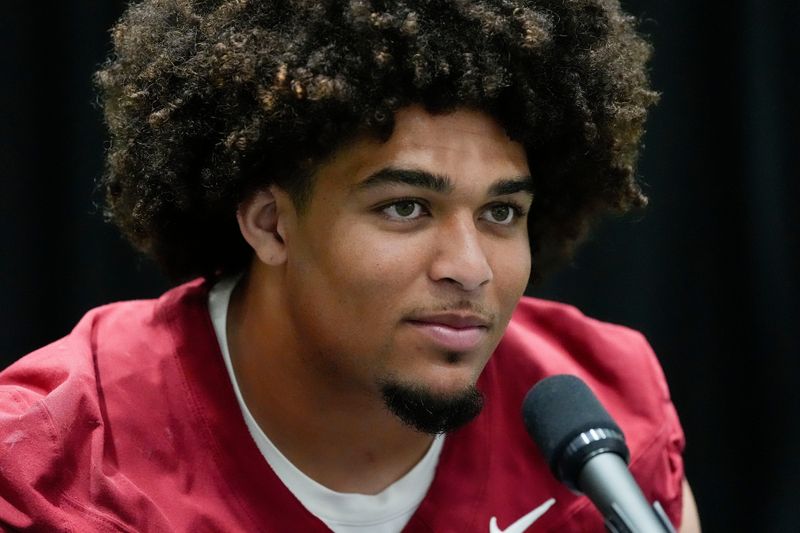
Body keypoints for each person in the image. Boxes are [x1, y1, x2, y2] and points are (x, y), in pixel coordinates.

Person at [0, 0, 700, 531]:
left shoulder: (610, 427)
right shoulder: (54, 461)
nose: (470, 267)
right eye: (405, 208)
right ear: (271, 222)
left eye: (500, 213)